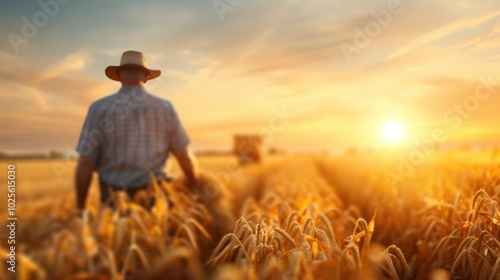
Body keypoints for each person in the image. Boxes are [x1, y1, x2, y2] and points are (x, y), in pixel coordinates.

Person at [74, 50, 199, 212]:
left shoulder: (99, 108)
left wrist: (80, 206)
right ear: (146, 77)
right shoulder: (164, 108)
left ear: (119, 76)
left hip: (113, 200)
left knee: (115, 237)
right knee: (159, 237)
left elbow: (86, 161)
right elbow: (184, 156)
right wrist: (193, 185)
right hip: (156, 200)